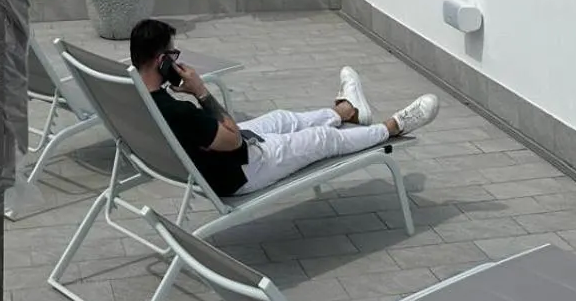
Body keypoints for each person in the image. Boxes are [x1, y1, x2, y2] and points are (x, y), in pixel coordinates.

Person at [129, 18, 439, 197]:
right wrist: (201, 92)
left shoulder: (131, 96)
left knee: (281, 119)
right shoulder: (179, 112)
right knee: (323, 140)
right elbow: (233, 139)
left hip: (212, 158)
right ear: (162, 62)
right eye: (174, 54)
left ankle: (347, 112)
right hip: (241, 171)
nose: (179, 60)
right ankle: (392, 127)